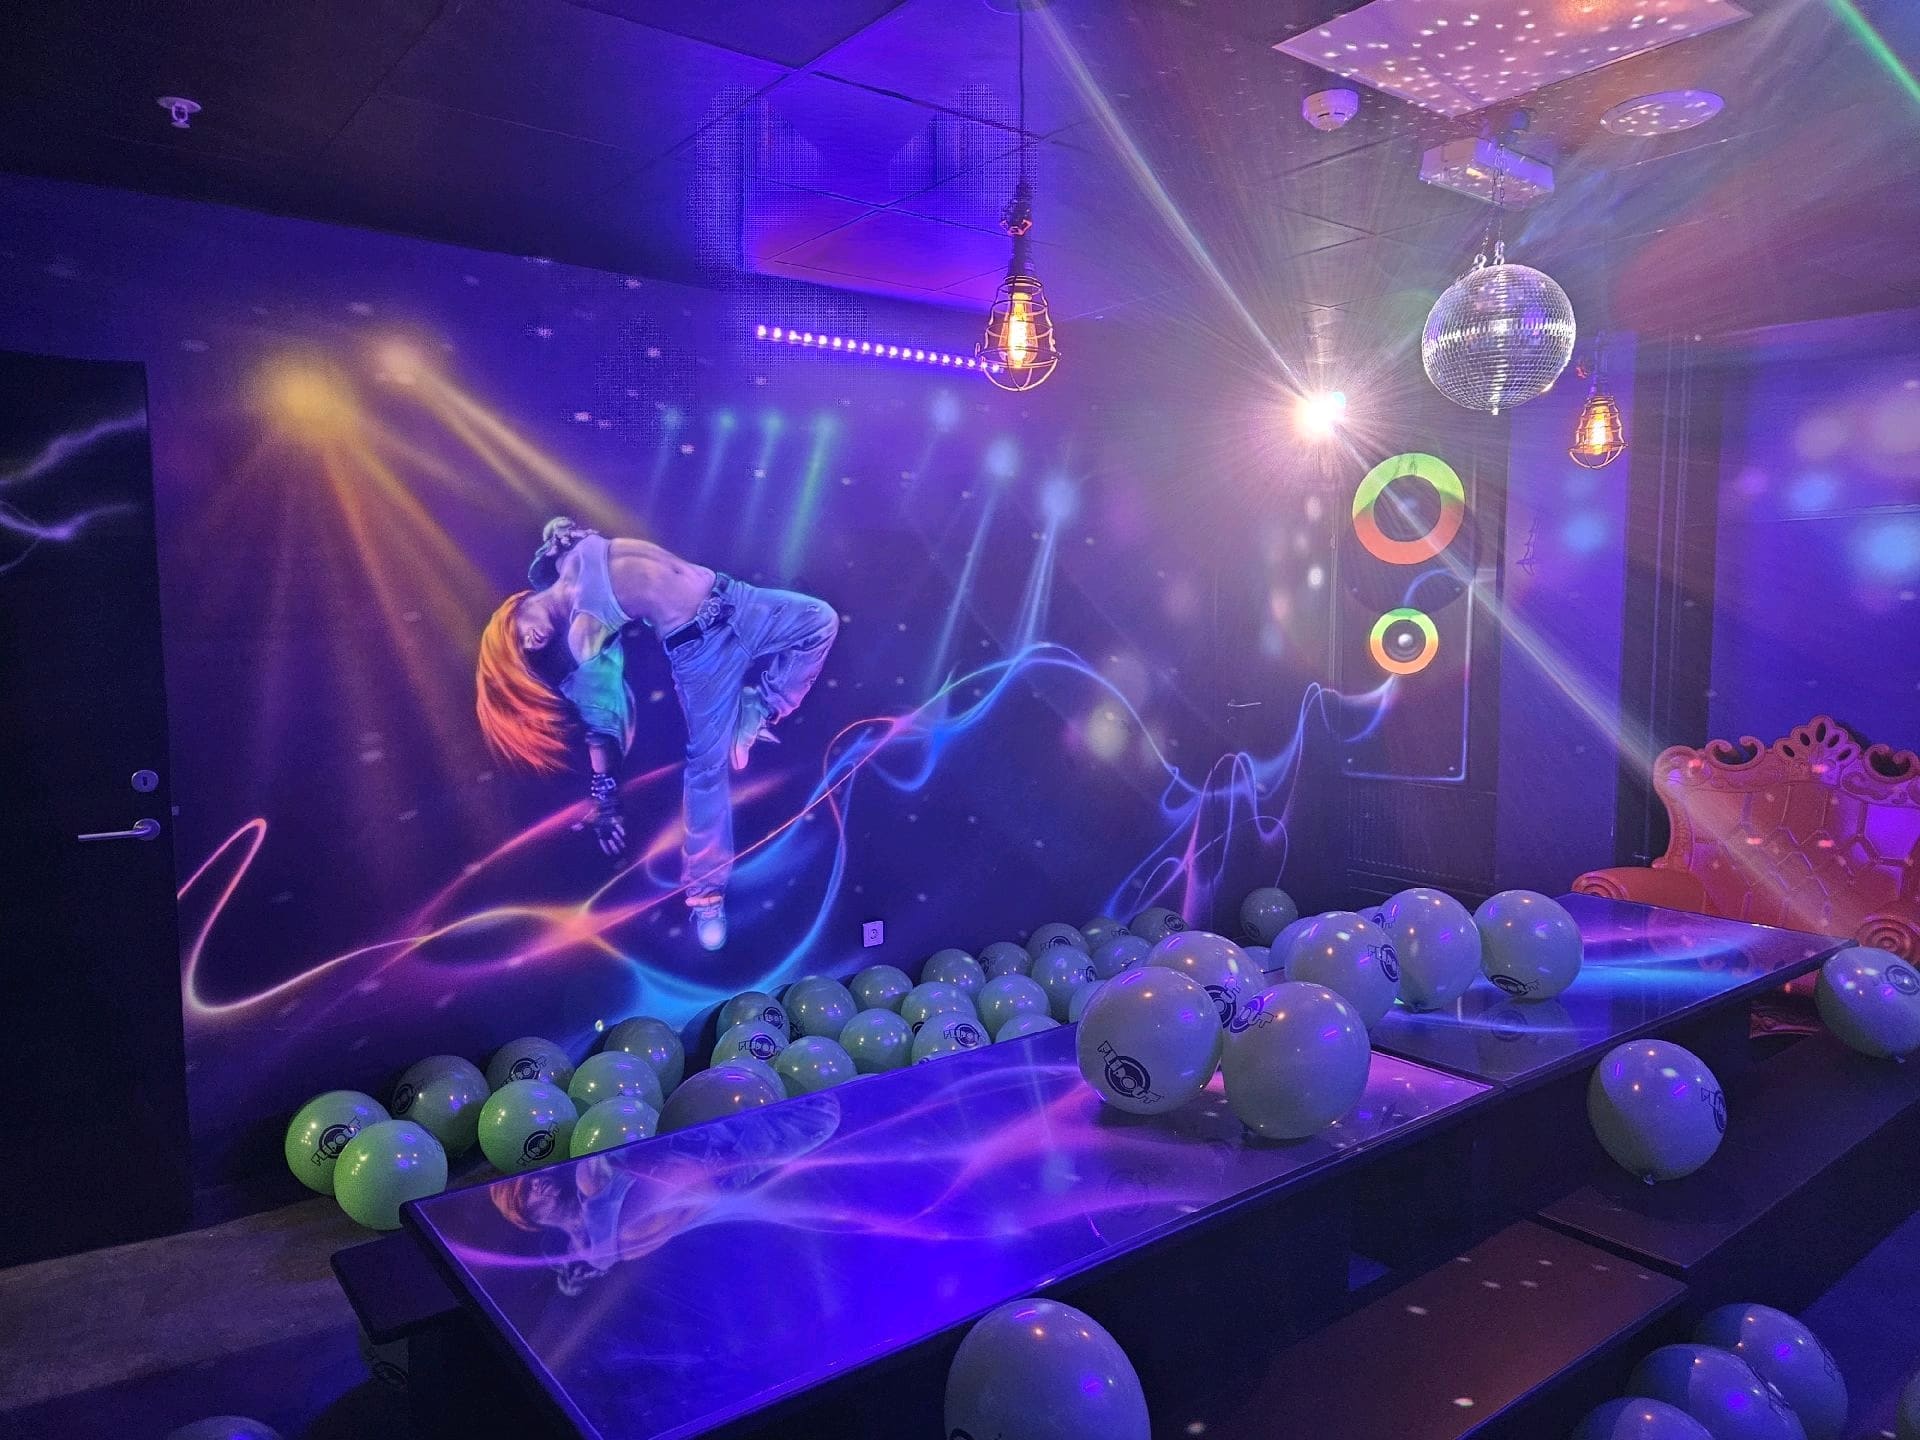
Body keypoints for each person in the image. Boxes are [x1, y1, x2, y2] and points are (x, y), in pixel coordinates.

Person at [475, 518, 837, 951]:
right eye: (526, 653)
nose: (530, 643)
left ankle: (759, 708)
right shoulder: (583, 636)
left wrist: (558, 535)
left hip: (736, 600)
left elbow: (559, 529)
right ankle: (705, 895)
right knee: (707, 767)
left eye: (517, 641)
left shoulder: (565, 554)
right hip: (700, 652)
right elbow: (602, 718)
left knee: (821, 621)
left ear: (510, 614)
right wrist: (605, 798)